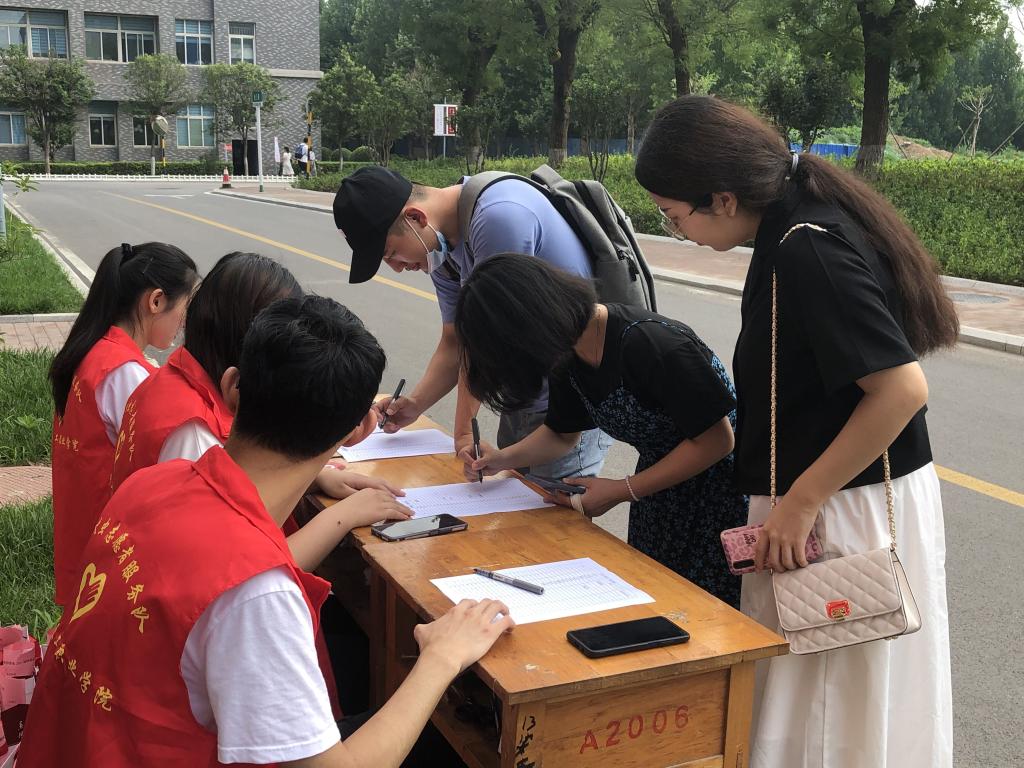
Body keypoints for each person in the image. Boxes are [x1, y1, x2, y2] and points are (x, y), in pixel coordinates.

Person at [17, 295, 516, 767]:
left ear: (233, 385)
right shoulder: (256, 593)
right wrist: (441, 656)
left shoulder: (150, 484)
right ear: (356, 431)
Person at [635, 95, 956, 768]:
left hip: (838, 505)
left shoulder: (806, 245)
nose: (674, 229)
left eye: (673, 215)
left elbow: (901, 390)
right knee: (831, 699)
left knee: (827, 703)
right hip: (834, 496)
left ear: (723, 199)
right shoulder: (799, 221)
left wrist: (800, 502)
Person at [456, 255, 745, 606]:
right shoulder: (570, 354)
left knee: (710, 610)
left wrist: (621, 490)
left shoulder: (651, 344)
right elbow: (562, 433)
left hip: (723, 496)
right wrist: (501, 459)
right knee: (659, 599)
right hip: (661, 495)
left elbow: (717, 440)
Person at [109, 251, 411, 572]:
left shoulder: (176, 380)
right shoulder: (193, 433)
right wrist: (343, 516)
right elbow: (236, 569)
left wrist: (313, 478)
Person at [333, 166, 612, 480]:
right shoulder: (441, 249)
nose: (397, 268)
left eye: (391, 253)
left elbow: (487, 343)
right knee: (520, 503)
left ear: (415, 218)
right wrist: (415, 403)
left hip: (571, 405)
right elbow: (456, 339)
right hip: (525, 398)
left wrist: (464, 433)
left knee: (553, 509)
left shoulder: (498, 218)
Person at [47, 241, 198, 608]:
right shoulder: (127, 375)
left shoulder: (93, 352)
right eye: (186, 308)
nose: (184, 323)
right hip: (115, 553)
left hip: (83, 537)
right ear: (156, 301)